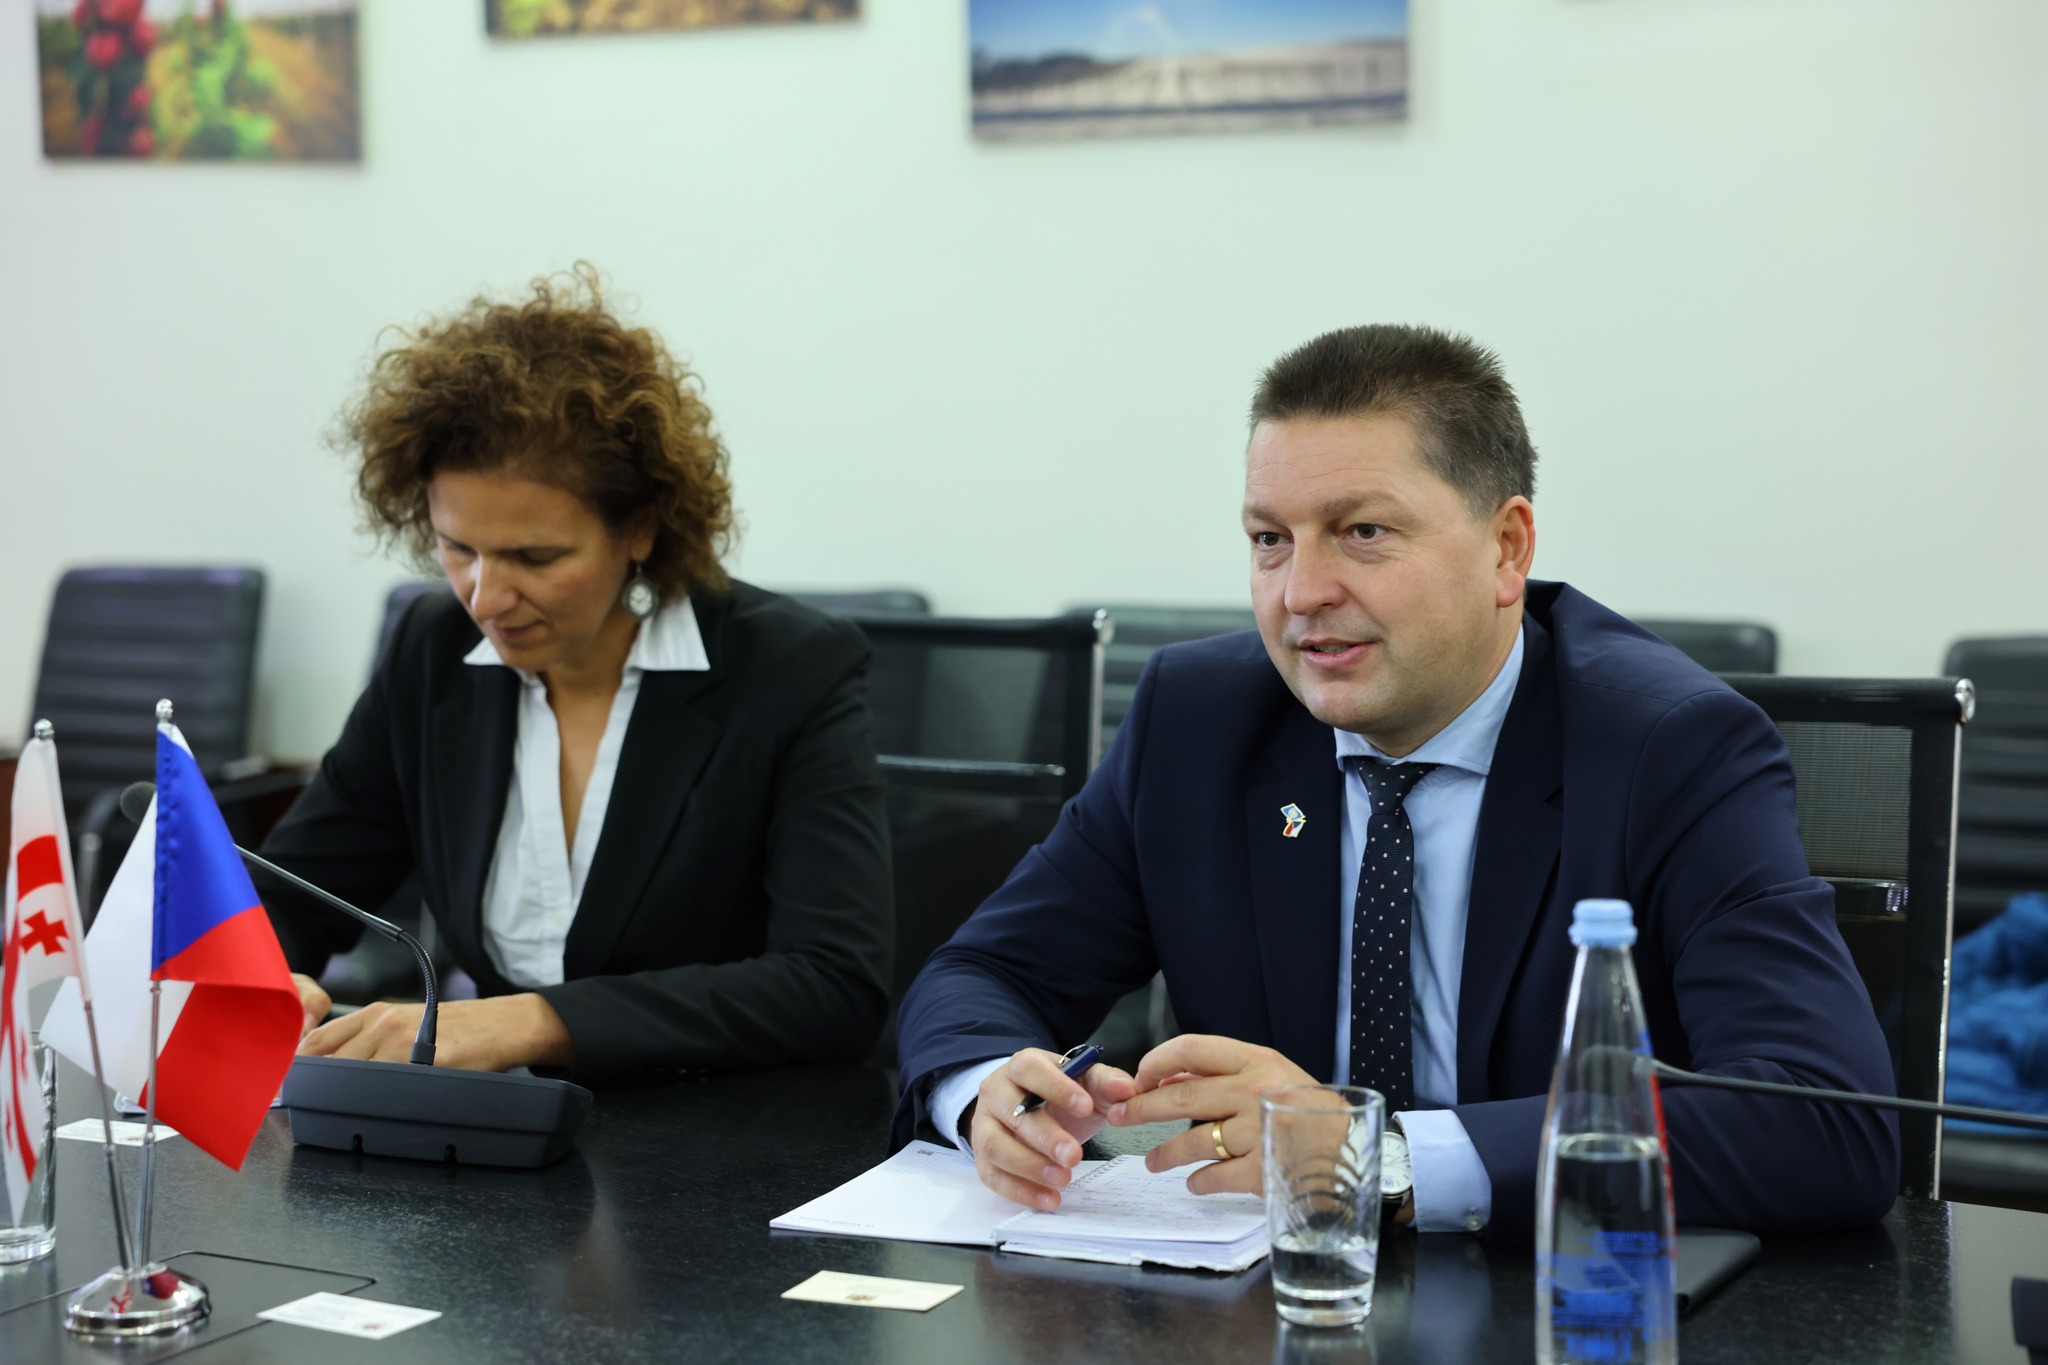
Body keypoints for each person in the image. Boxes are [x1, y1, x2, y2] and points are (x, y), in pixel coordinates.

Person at [892, 324, 1899, 1242]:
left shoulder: (1669, 747)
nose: (1301, 593)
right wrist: (988, 1094)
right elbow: (983, 973)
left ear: (1506, 548)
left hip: (1557, 1298)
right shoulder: (1197, 719)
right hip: (1249, 1304)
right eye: (1269, 539)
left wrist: (1377, 1158)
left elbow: (1821, 1117)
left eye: (1363, 532)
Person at [258, 268, 893, 1083]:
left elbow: (834, 985)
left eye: (535, 556)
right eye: (458, 547)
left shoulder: (788, 668)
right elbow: (290, 892)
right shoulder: (431, 649)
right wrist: (264, 975)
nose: (485, 596)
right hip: (488, 1125)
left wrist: (532, 1022)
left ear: (642, 528)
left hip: (711, 1124)